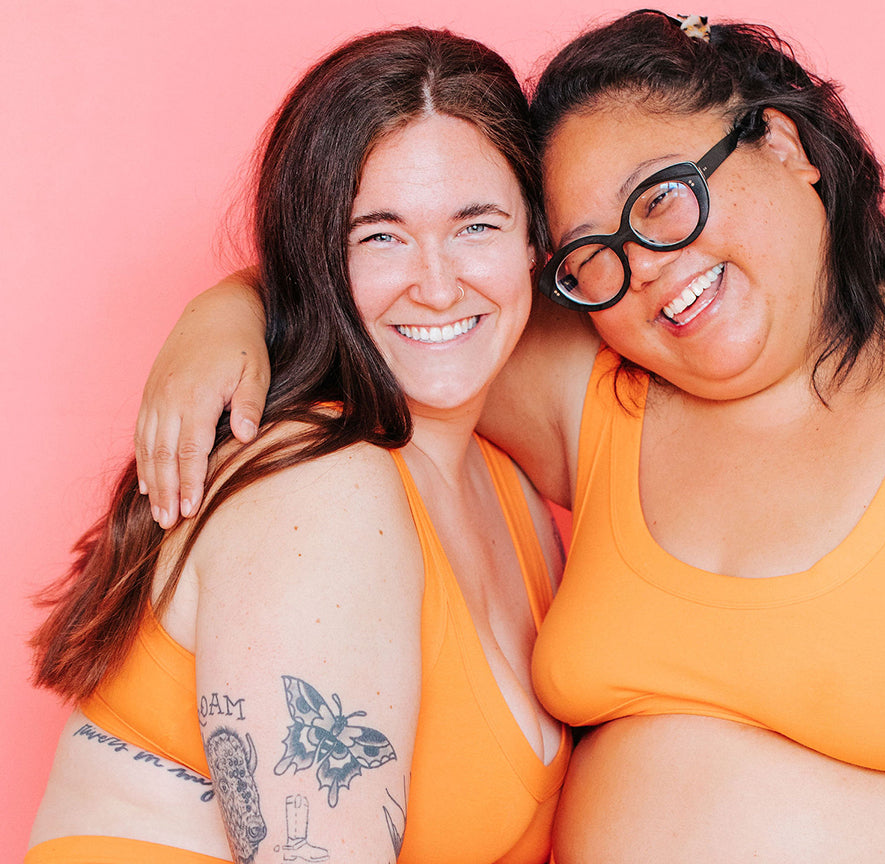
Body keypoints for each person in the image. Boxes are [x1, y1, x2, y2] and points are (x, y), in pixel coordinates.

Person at [133, 10, 885, 863]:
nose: (646, 269)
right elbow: (413, 300)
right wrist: (223, 314)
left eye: (667, 200)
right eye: (591, 255)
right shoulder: (596, 384)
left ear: (783, 145)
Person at [26, 27, 568, 864]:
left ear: (536, 239)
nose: (435, 283)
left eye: (477, 227)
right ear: (320, 262)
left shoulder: (508, 492)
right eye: (379, 236)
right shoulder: (324, 491)